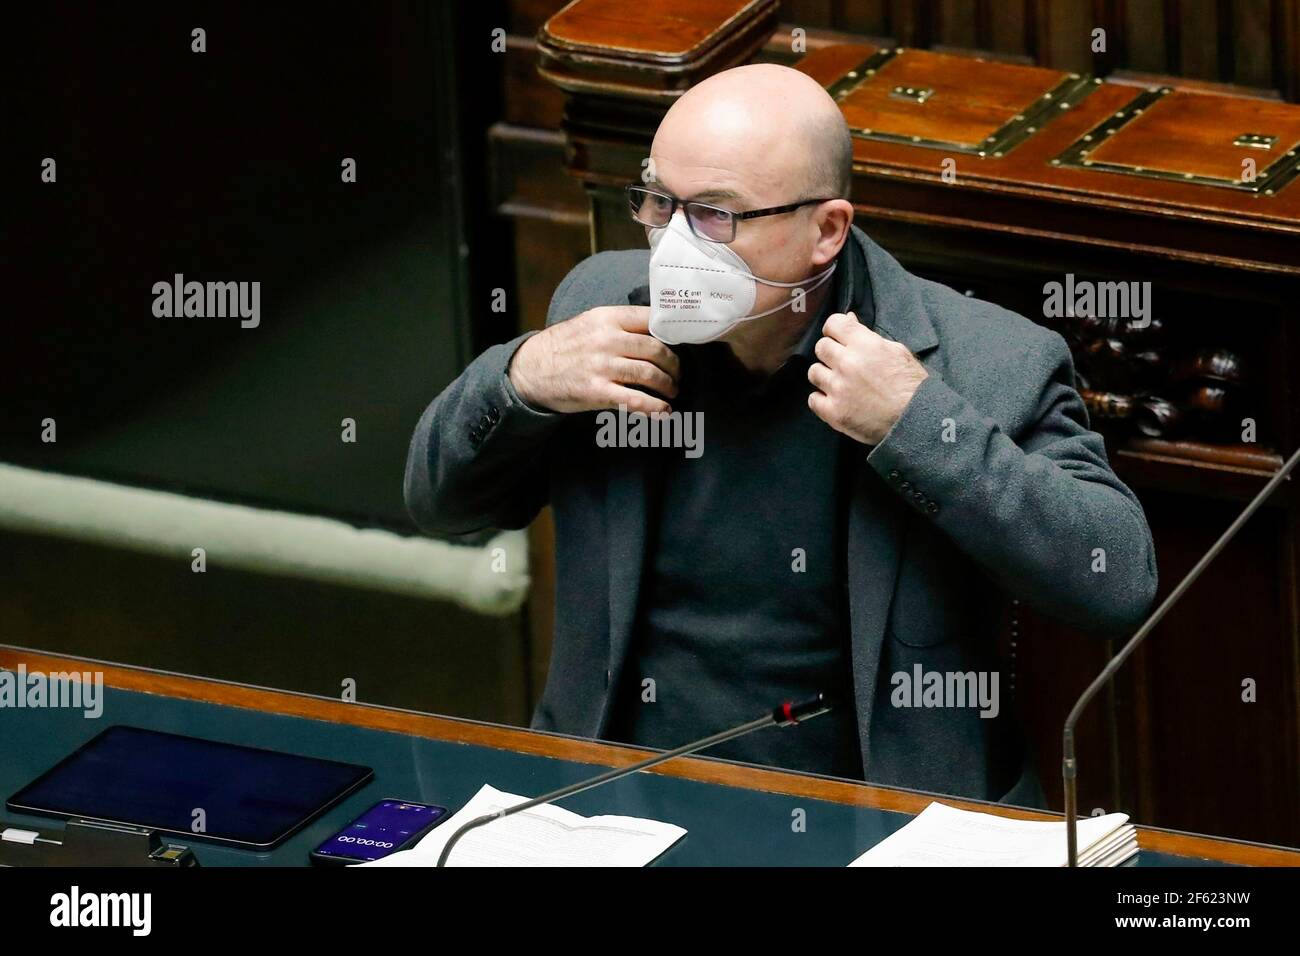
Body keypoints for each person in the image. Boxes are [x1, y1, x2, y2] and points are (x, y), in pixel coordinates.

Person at [404, 63, 1157, 805]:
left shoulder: (983, 360)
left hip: (879, 822)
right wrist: (521, 379)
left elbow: (1117, 582)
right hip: (616, 802)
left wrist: (920, 425)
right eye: (660, 203)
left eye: (714, 217)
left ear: (825, 230)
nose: (673, 247)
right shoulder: (602, 302)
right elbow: (439, 505)